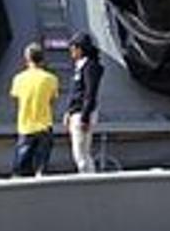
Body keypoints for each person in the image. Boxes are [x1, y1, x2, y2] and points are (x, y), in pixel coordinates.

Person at [8, 43, 60, 178]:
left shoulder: (18, 79)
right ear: (42, 59)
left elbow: (16, 97)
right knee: (41, 170)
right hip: (44, 126)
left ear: (27, 58)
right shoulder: (51, 79)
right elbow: (52, 100)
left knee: (19, 171)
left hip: (25, 127)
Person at [65, 31, 104, 174]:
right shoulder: (80, 66)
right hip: (77, 112)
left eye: (73, 48)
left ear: (80, 49)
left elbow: (90, 93)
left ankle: (88, 180)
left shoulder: (90, 67)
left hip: (83, 113)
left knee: (81, 153)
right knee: (79, 152)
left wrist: (85, 117)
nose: (71, 51)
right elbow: (76, 92)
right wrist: (69, 112)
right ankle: (87, 177)